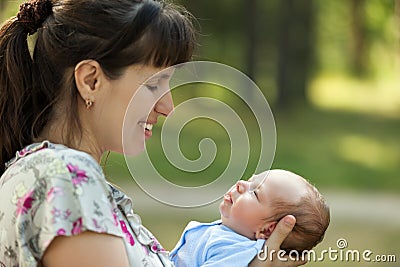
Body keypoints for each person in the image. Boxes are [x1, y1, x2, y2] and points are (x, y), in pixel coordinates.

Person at [0, 0, 307, 266]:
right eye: (153, 84)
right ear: (91, 80)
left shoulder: (55, 175)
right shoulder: (67, 178)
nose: (168, 107)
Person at [170, 169, 330, 267]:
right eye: (250, 180)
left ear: (267, 230)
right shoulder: (227, 236)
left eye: (254, 192)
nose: (240, 184)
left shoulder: (236, 252)